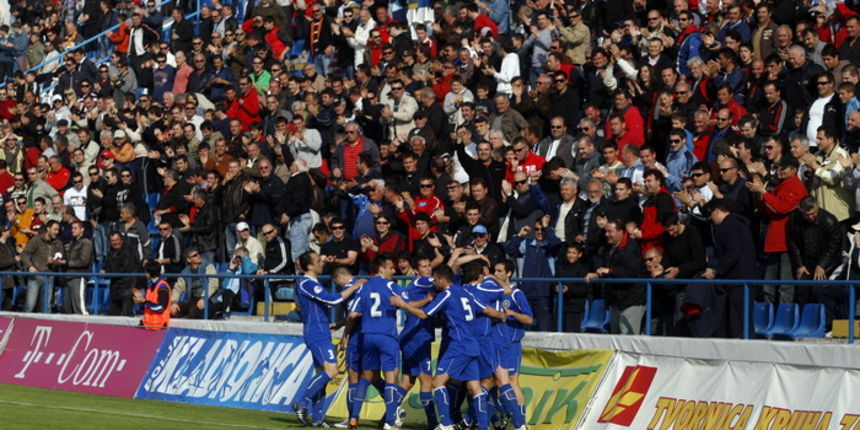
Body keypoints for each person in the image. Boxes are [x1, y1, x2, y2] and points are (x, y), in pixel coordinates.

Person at [399, 264, 506, 430]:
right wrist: (502, 315)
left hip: (458, 345)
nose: (433, 282)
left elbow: (424, 314)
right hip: (473, 346)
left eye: (435, 279)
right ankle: (483, 427)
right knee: (475, 388)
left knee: (438, 383)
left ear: (442, 279)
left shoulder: (446, 295)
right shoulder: (465, 293)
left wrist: (403, 304)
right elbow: (487, 310)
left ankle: (446, 424)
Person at [292, 251, 361, 427]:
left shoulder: (314, 283)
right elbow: (333, 300)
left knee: (322, 374)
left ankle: (318, 418)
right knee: (332, 370)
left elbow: (327, 303)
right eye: (318, 260)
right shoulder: (307, 283)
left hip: (321, 330)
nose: (321, 262)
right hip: (317, 332)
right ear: (309, 266)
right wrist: (355, 286)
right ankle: (301, 401)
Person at [702, 199, 759, 338]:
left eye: (710, 215)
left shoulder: (729, 226)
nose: (710, 219)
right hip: (741, 279)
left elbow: (733, 253)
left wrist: (715, 270)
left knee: (739, 323)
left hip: (737, 281)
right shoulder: (738, 224)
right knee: (738, 321)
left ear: (717, 211)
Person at [585, 218, 646, 335]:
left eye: (610, 231)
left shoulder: (631, 248)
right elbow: (607, 268)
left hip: (631, 300)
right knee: (615, 336)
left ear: (621, 232)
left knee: (627, 338)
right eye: (606, 231)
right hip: (616, 299)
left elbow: (630, 273)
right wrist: (597, 274)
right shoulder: (610, 247)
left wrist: (609, 271)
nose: (606, 234)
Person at [170, 247, 219, 318]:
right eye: (195, 255)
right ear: (188, 260)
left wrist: (203, 298)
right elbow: (178, 288)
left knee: (193, 312)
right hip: (193, 300)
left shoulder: (208, 266)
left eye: (198, 254)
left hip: (208, 299)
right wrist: (174, 303)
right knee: (173, 311)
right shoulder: (185, 272)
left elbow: (213, 284)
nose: (198, 256)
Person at [63, 220, 93, 314]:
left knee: (80, 307)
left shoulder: (86, 243)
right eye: (72, 228)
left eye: (75, 228)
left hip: (79, 276)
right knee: (67, 308)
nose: (73, 230)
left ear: (82, 229)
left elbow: (83, 261)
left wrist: (67, 263)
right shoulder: (72, 242)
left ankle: (86, 322)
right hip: (69, 276)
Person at [135, 261, 171, 330]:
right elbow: (148, 305)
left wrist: (144, 301)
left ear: (150, 273)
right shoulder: (150, 286)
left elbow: (160, 308)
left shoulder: (163, 287)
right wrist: (140, 299)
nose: (145, 274)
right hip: (147, 324)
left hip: (159, 326)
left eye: (146, 272)